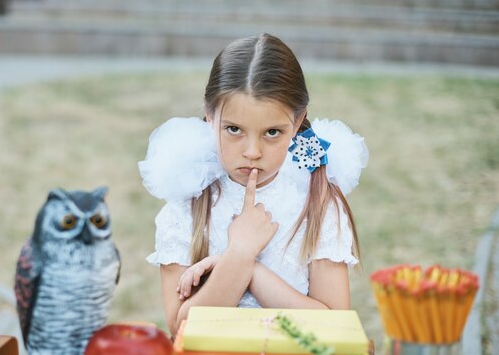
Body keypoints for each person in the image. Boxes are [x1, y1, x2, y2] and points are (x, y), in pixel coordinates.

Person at [138, 33, 369, 336]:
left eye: (272, 132)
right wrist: (239, 257)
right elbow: (182, 327)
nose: (252, 151)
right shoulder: (188, 200)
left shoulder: (317, 199)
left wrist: (249, 268)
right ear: (210, 117)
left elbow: (334, 328)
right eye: (234, 129)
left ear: (298, 122)